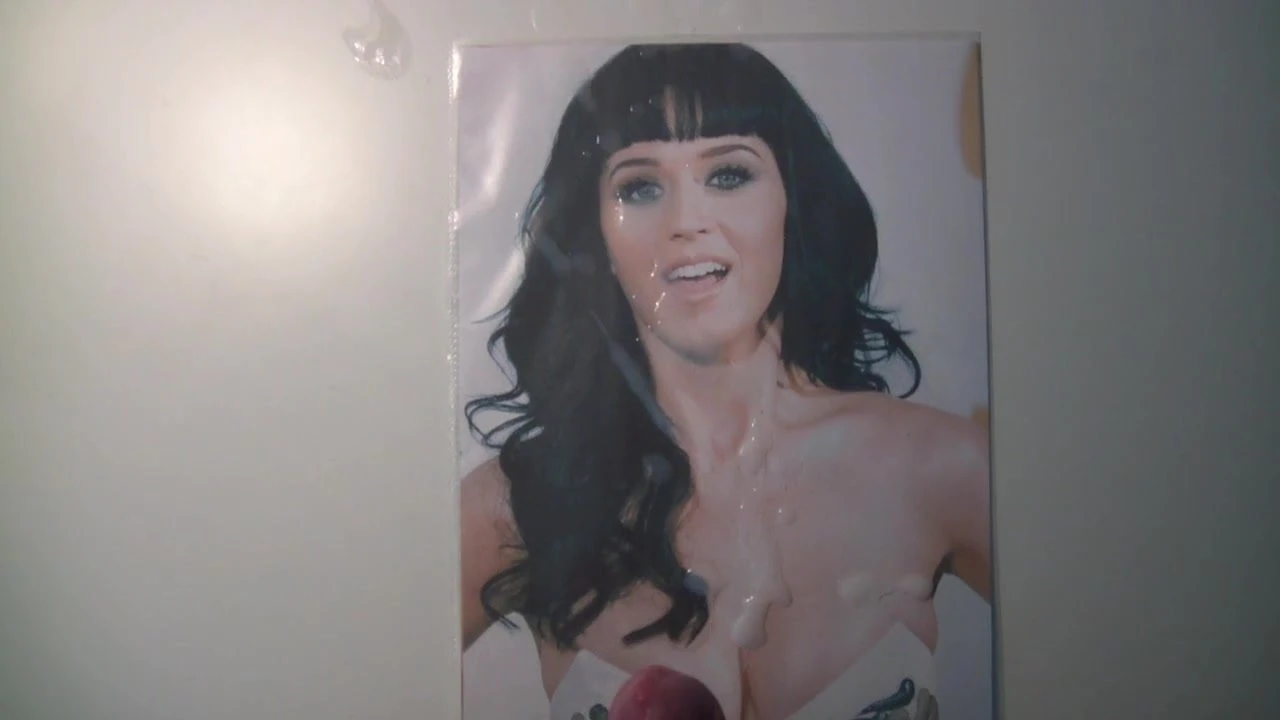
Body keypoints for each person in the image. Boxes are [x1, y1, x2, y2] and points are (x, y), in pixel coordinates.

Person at [459, 42, 991, 720]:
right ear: (596, 235)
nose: (687, 222)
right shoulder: (518, 502)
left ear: (792, 202)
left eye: (729, 174)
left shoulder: (941, 468)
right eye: (640, 187)